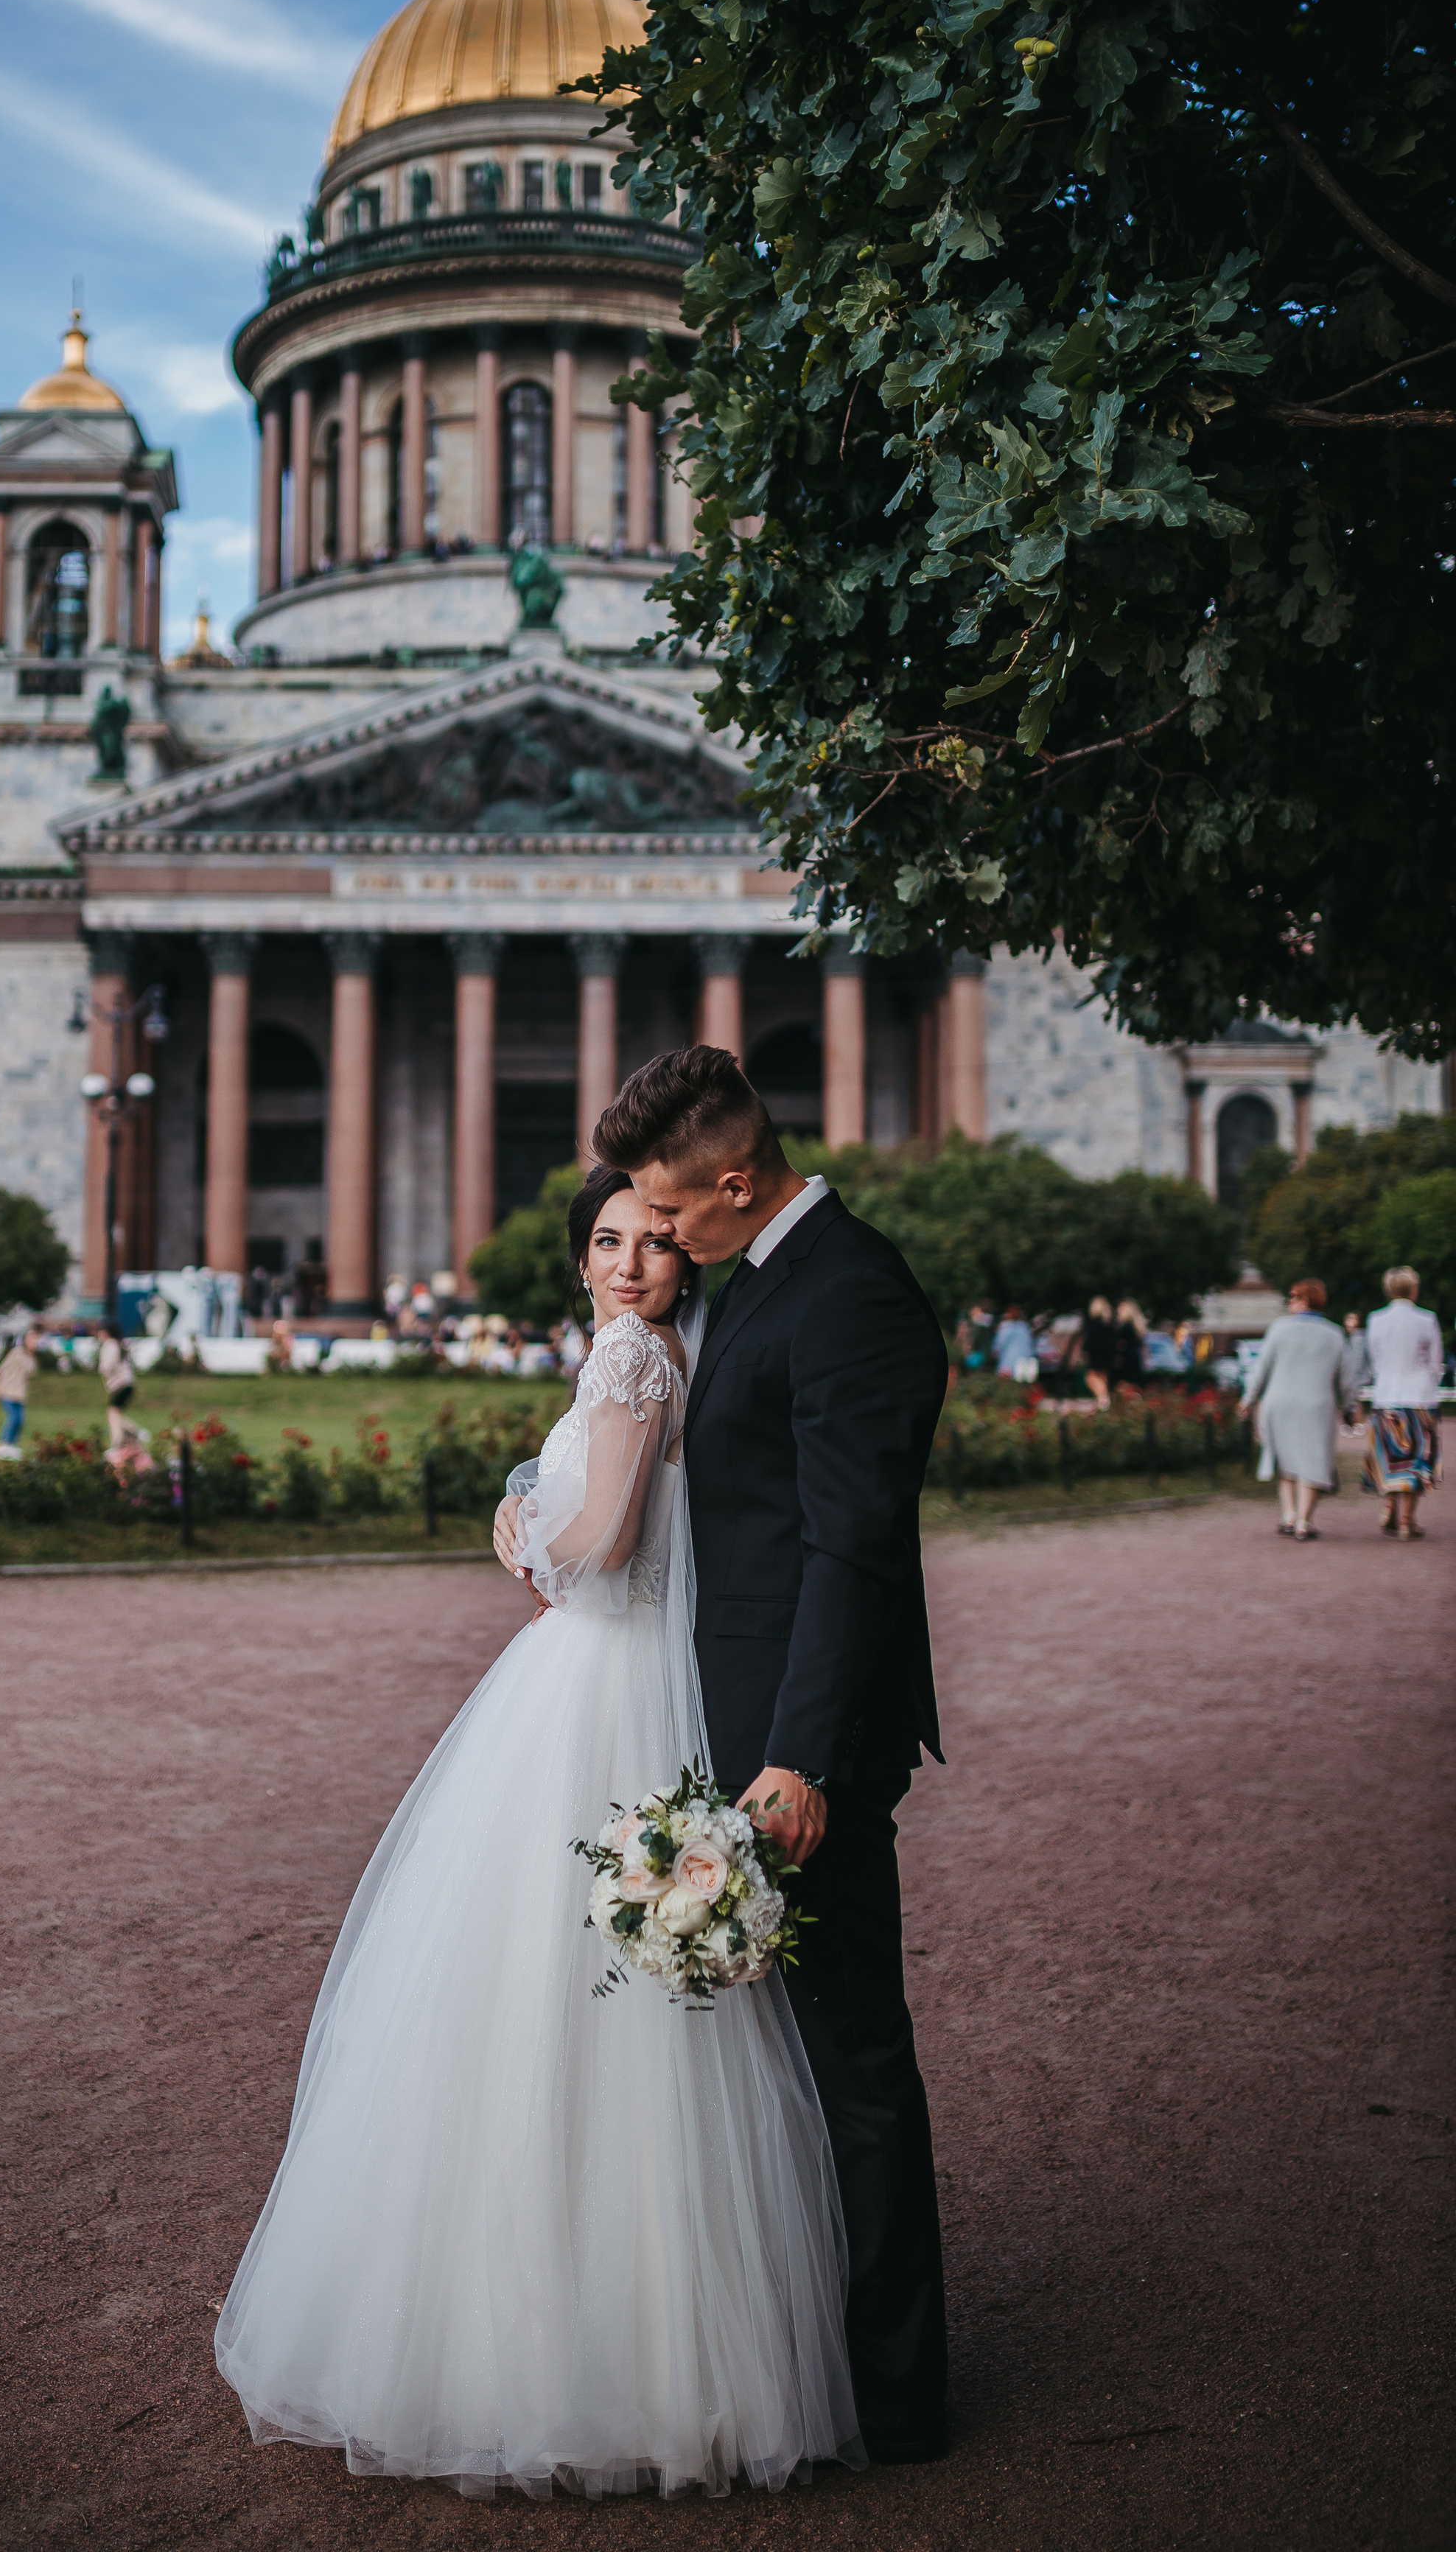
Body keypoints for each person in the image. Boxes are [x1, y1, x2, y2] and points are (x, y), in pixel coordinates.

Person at [214, 1167, 864, 2497]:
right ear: (580, 1259)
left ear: (685, 1259)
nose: (630, 1266)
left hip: (590, 1678)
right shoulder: (676, 1349)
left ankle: (529, 2344)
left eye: (654, 1243)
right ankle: (672, 2352)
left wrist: (518, 1539)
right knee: (614, 2004)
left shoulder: (632, 1356)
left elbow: (606, 1541)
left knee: (521, 1993)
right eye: (608, 1244)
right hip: (644, 1680)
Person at [596, 1045, 951, 2464]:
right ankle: (822, 2356)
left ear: (735, 1184)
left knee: (856, 2062)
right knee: (796, 2066)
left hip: (801, 1757)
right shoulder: (769, 1275)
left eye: (671, 1215)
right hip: (736, 1727)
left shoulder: (851, 1293)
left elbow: (849, 1550)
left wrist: (798, 1758)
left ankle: (900, 2398)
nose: (658, 1243)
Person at [1240, 1281, 1358, 1540]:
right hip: (1316, 1406)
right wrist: (1351, 1407)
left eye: (1293, 1297)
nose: (1290, 1302)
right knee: (1313, 1462)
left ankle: (1289, 1516)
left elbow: (1261, 1369)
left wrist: (1248, 1400)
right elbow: (1347, 1380)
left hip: (1279, 1402)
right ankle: (1304, 1522)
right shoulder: (1335, 1334)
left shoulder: (1278, 1329)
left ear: (1306, 1300)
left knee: (1286, 1461)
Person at [1365, 1265, 1444, 1539]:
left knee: (1392, 1458)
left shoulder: (1375, 1319)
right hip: (1419, 1397)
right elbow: (1436, 1363)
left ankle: (1390, 1507)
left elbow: (1374, 1360)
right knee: (1417, 1459)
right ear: (1414, 1290)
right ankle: (1407, 1521)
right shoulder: (1427, 1319)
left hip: (1386, 1396)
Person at [97, 1327, 149, 1461]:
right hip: (126, 1383)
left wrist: (104, 1372)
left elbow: (107, 1366)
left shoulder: (110, 1345)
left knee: (113, 1413)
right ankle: (136, 1432)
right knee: (115, 1413)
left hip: (120, 1384)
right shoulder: (119, 1344)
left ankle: (118, 1444)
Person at [0, 1326, 39, 1459]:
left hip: (19, 1393)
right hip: (8, 1390)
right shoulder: (17, 1352)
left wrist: (33, 1353)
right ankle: (3, 1445)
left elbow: (32, 1371)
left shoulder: (31, 1357)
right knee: (14, 1418)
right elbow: (2, 1368)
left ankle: (11, 1445)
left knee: (21, 1420)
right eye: (31, 1338)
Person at [1081, 1295, 1118, 1408]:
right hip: (1108, 1355)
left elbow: (1090, 1340)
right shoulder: (1109, 1323)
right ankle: (1104, 1400)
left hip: (1096, 1355)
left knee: (1091, 1378)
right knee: (1103, 1378)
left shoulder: (1094, 1322)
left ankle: (1103, 1399)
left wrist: (1085, 1350)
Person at [990, 1301, 1037, 1382]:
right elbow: (1029, 1344)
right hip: (1023, 1359)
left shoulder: (1005, 1327)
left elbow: (999, 1344)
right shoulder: (1024, 1326)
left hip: (1007, 1359)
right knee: (1021, 1382)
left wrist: (995, 1353)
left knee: (1005, 1382)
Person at [1341, 1310, 1374, 1397]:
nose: (1348, 1322)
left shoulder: (1358, 1338)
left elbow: (1356, 1363)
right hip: (1362, 1381)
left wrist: (1350, 1382)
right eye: (1347, 1319)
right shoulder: (1356, 1338)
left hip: (1360, 1382)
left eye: (1352, 1319)